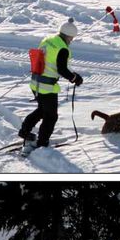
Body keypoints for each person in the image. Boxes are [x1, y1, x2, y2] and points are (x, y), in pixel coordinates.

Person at [18, 19, 83, 155]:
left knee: (42, 110)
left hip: (36, 82)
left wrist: (71, 75)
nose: (71, 40)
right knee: (51, 116)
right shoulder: (63, 48)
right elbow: (62, 70)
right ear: (68, 36)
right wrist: (75, 78)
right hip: (47, 86)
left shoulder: (48, 39)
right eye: (72, 38)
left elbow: (47, 60)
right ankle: (42, 142)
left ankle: (24, 131)